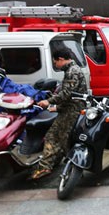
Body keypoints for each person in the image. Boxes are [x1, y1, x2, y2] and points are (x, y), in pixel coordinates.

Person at [30, 48, 88, 180]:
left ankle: (46, 166)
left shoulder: (72, 71)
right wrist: (57, 107)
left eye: (55, 62)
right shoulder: (72, 69)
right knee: (65, 139)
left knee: (53, 136)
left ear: (61, 59)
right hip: (71, 108)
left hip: (72, 111)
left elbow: (67, 94)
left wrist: (48, 102)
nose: (55, 65)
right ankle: (70, 167)